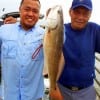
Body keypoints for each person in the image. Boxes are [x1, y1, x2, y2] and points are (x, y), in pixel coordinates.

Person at [0, 0, 45, 100]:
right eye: (27, 9)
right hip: (8, 96)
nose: (30, 14)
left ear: (39, 14)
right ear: (20, 10)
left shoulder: (45, 35)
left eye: (35, 11)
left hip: (34, 97)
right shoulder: (3, 31)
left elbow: (60, 39)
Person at [55, 0, 100, 100]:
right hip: (61, 88)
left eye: (85, 13)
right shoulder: (60, 30)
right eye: (77, 12)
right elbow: (41, 34)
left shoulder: (95, 30)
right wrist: (17, 23)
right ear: (70, 12)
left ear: (90, 14)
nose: (80, 17)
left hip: (86, 91)